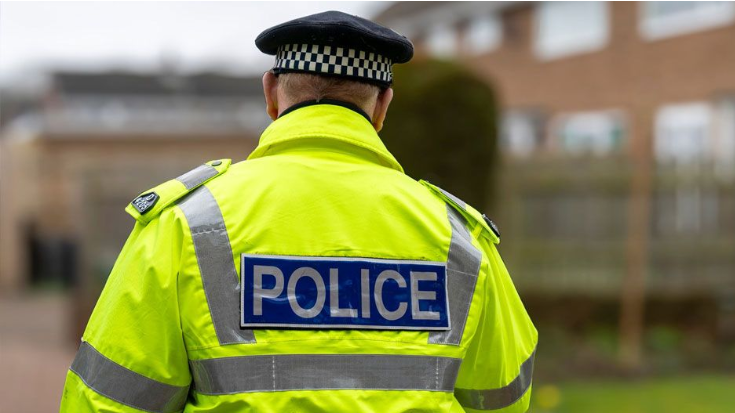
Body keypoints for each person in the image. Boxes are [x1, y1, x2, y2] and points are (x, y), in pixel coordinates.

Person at [60, 10, 537, 413]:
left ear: (270, 92)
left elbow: (106, 400)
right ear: (383, 106)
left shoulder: (187, 223)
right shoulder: (459, 237)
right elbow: (505, 396)